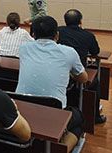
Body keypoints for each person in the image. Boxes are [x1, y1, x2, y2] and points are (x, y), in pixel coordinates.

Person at [16, 16, 88, 151]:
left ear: (32, 34)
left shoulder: (24, 48)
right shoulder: (69, 52)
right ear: (57, 35)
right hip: (53, 112)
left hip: (22, 108)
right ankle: (61, 149)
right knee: (79, 120)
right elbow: (84, 79)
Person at [58, 9, 106, 124]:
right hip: (75, 74)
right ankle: (95, 117)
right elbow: (95, 51)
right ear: (80, 21)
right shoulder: (88, 35)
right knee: (95, 81)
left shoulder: (58, 31)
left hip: (58, 69)